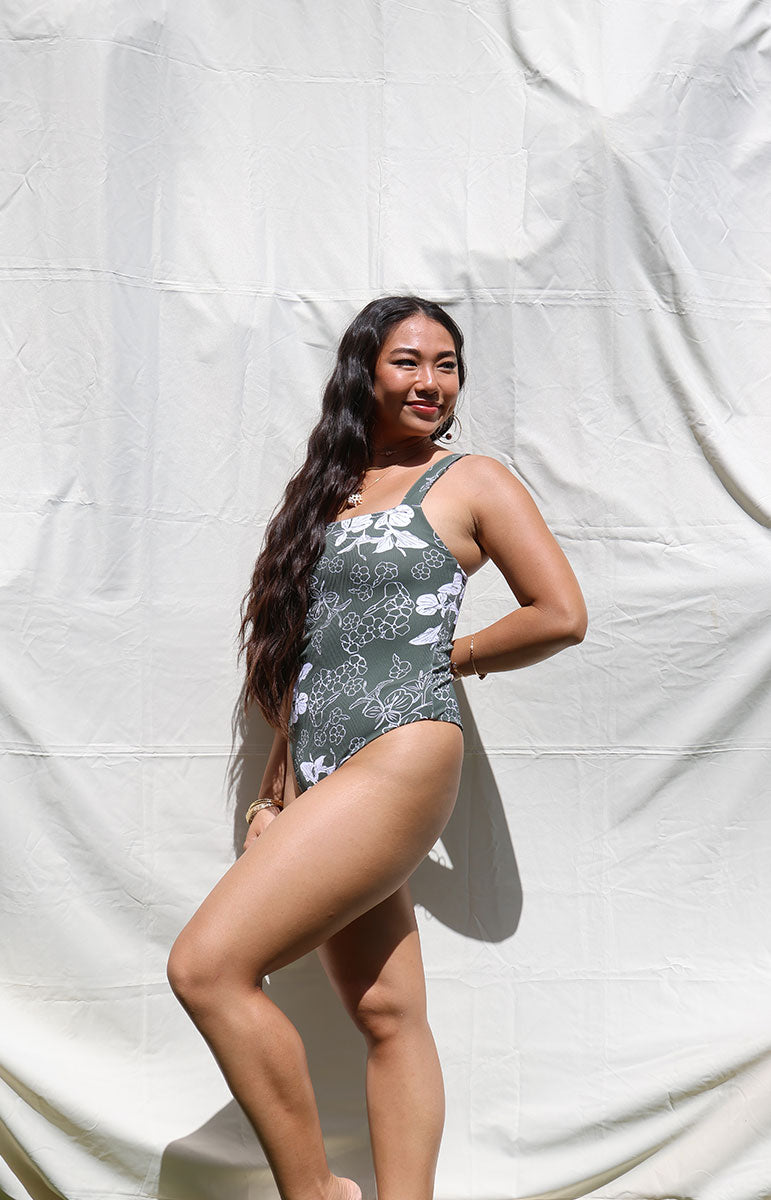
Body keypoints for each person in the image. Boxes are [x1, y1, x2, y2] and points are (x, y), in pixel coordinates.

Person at [167, 295, 587, 1200]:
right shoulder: (325, 493)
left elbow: (560, 614)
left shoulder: (470, 480)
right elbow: (303, 663)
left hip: (402, 748)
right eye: (408, 361)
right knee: (389, 1014)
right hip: (320, 768)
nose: (431, 381)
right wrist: (272, 797)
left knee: (207, 969)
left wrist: (447, 655)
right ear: (364, 372)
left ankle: (316, 1191)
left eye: (446, 363)